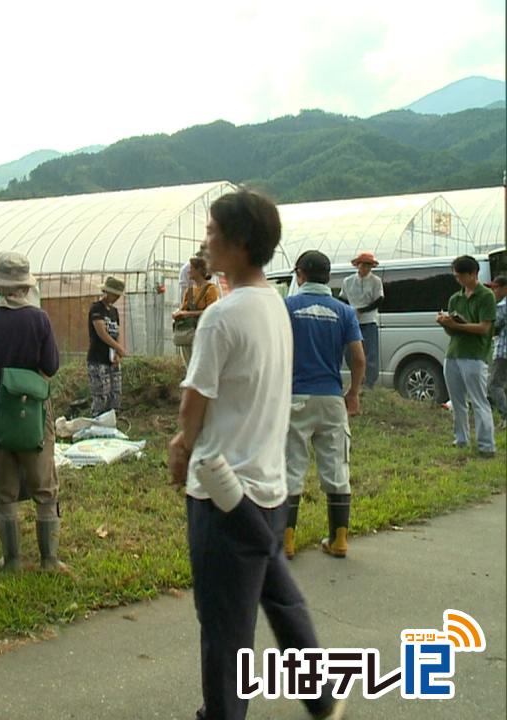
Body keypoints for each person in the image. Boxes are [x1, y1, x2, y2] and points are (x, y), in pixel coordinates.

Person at [169, 189, 343, 720]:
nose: (205, 240)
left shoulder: (223, 316)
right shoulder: (273, 304)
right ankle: (320, 698)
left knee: (224, 628)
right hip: (267, 489)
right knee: (278, 596)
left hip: (223, 492)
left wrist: (179, 450)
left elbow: (194, 405)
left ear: (240, 243)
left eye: (212, 231)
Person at [0, 252, 65, 572]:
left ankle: (11, 560)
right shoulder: (39, 319)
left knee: (4, 489)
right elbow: (51, 366)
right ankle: (49, 559)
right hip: (35, 411)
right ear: (26, 286)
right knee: (44, 486)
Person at [282, 250, 365, 560]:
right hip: (332, 399)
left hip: (295, 398)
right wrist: (353, 393)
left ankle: (286, 542)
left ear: (299, 274)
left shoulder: (286, 307)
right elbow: (357, 358)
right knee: (336, 468)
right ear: (328, 277)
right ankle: (339, 541)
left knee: (291, 469)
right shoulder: (344, 312)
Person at [438, 256, 497, 458]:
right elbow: (452, 332)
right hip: (453, 352)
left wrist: (457, 325)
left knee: (479, 400)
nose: (458, 280)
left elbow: (484, 327)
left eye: (461, 276)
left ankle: (486, 445)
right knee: (457, 400)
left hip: (475, 354)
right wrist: (447, 324)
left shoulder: (486, 295)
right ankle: (461, 439)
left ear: (473, 273)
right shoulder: (456, 298)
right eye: (456, 276)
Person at [341, 252, 384, 389]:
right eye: (363, 265)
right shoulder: (348, 281)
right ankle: (357, 378)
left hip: (369, 320)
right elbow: (343, 299)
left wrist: (363, 310)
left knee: (370, 353)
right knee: (349, 353)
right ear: (357, 265)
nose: (365, 268)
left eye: (368, 266)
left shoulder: (376, 281)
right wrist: (349, 312)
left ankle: (369, 383)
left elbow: (379, 299)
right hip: (352, 321)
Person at [87, 276, 127, 417]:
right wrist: (118, 347)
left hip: (112, 358)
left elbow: (117, 331)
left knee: (114, 393)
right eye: (114, 294)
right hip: (98, 358)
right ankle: (97, 421)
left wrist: (118, 351)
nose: (116, 297)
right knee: (101, 395)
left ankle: (112, 421)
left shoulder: (114, 312)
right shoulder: (97, 309)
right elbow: (101, 333)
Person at [172, 257, 221, 365]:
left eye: (191, 268)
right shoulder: (189, 291)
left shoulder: (211, 289)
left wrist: (187, 314)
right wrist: (177, 313)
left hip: (204, 334)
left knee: (202, 366)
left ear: (199, 270)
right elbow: (183, 309)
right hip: (187, 335)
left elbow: (211, 311)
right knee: (189, 367)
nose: (188, 271)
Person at [489, 275, 507, 428]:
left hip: (503, 352)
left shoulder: (502, 306)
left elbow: (492, 327)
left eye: (496, 288)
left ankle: (505, 415)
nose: (494, 291)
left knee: (494, 385)